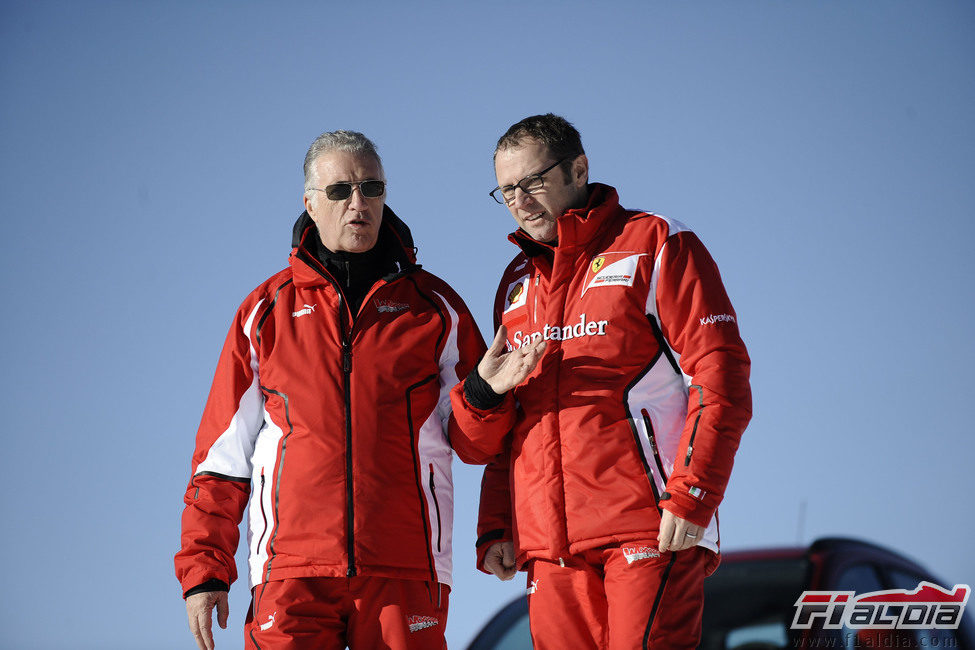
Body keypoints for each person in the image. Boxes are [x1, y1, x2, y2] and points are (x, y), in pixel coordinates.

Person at [174, 130, 512, 650]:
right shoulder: (265, 313)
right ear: (309, 203)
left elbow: (476, 445)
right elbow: (223, 459)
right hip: (291, 575)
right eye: (340, 191)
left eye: (372, 188)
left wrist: (487, 396)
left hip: (404, 568)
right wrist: (205, 569)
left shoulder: (434, 309)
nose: (359, 203)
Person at [450, 114, 752, 649]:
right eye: (507, 190)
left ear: (579, 168)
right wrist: (498, 523)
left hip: (650, 528)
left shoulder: (655, 241)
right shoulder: (518, 284)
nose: (520, 200)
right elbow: (512, 425)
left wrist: (692, 494)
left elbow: (720, 374)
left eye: (533, 181)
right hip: (551, 548)